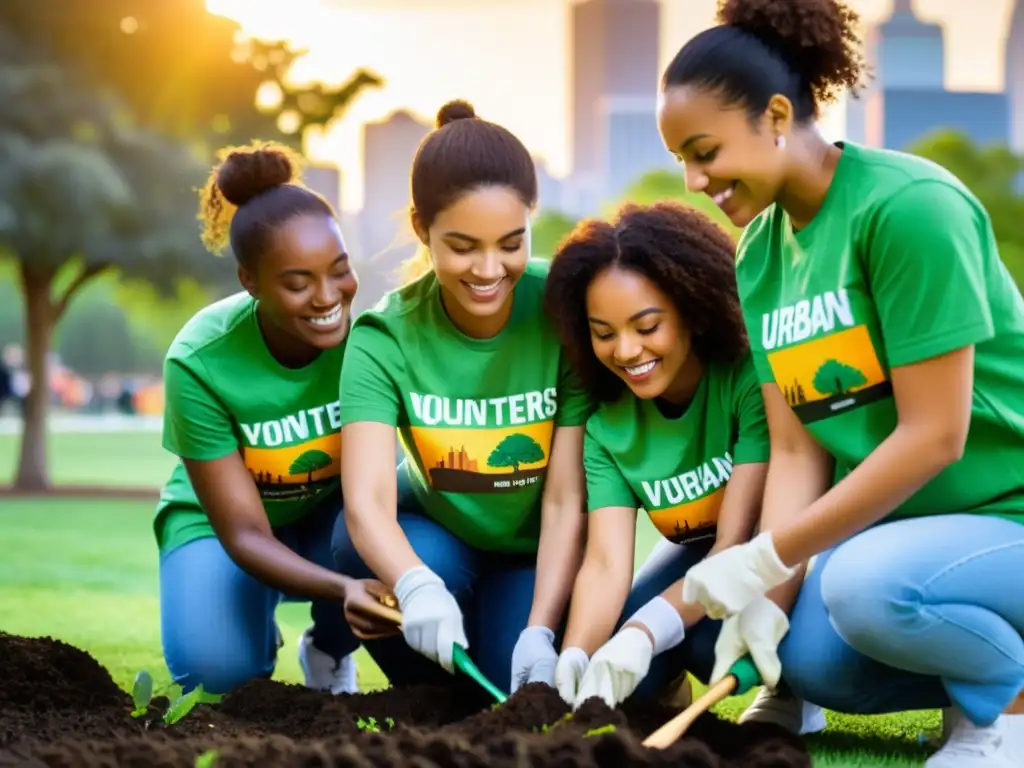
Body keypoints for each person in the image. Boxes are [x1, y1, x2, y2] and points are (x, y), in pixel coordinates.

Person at [656, 1, 1024, 765]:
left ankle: (1009, 709)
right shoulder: (758, 257)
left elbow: (936, 435)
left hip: (1007, 512)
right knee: (807, 659)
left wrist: (763, 556)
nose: (695, 182)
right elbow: (797, 454)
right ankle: (966, 676)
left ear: (777, 115)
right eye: (683, 163)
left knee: (865, 586)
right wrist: (769, 602)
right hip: (919, 539)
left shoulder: (909, 208)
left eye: (706, 151)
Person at [332, 100, 591, 694]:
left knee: (515, 680)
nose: (489, 268)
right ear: (422, 229)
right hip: (438, 543)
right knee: (357, 547)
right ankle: (429, 696)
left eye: (510, 242)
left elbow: (565, 497)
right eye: (463, 245)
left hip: (536, 555)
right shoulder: (383, 336)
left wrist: (542, 630)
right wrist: (415, 584)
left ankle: (492, 657)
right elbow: (367, 502)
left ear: (532, 217)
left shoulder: (564, 310)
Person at [542, 200, 824, 735]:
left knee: (702, 632)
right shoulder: (606, 426)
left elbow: (734, 544)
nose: (626, 350)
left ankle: (791, 692)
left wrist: (645, 631)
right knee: (635, 683)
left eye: (646, 326)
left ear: (693, 310)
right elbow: (604, 563)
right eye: (604, 333)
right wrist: (577, 653)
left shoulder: (745, 378)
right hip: (699, 557)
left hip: (782, 548)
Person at [155, 141, 396, 696]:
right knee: (218, 677)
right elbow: (242, 532)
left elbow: (384, 490)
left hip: (324, 520)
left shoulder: (372, 341)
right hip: (220, 527)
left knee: (393, 530)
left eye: (339, 271)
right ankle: (245, 627)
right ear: (251, 282)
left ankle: (330, 651)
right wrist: (343, 588)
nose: (327, 297)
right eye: (297, 282)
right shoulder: (199, 359)